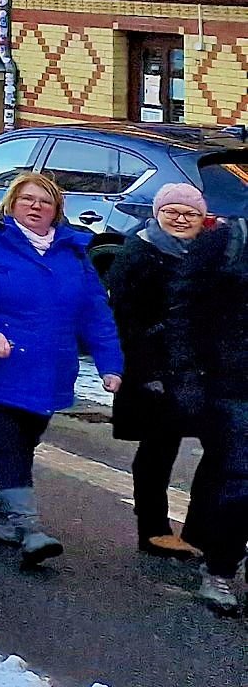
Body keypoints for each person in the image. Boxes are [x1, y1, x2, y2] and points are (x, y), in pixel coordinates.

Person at [0, 170, 124, 567]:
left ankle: (2, 517)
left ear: (57, 210)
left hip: (49, 370)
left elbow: (94, 312)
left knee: (23, 443)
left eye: (45, 201)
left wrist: (110, 364)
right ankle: (28, 525)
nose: (36, 207)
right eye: (27, 200)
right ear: (11, 204)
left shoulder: (74, 253)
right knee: (5, 442)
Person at [108, 181, 211, 560]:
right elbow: (125, 317)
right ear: (157, 213)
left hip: (193, 368)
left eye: (190, 214)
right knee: (159, 445)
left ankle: (197, 528)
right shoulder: (139, 252)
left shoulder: (203, 252)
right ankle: (153, 530)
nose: (181, 219)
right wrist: (147, 368)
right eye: (172, 212)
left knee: (213, 446)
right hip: (152, 368)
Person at [167, 192, 248, 613]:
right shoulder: (225, 240)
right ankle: (219, 570)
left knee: (227, 474)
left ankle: (210, 542)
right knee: (239, 479)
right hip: (231, 382)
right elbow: (183, 311)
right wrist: (186, 377)